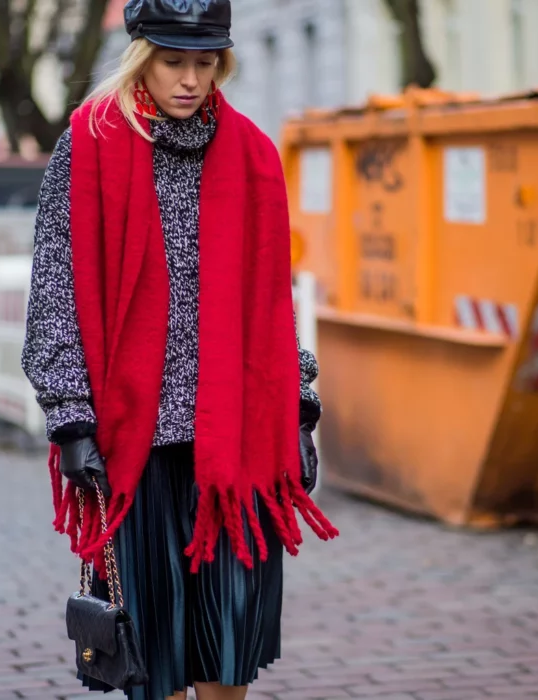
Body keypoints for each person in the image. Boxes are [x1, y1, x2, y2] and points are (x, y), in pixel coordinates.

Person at [21, 1, 338, 699]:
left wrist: (298, 407)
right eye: (173, 61)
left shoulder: (252, 152)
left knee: (227, 656)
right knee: (152, 662)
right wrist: (69, 416)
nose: (190, 79)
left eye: (204, 62)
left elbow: (270, 299)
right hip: (137, 445)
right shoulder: (91, 140)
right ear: (141, 55)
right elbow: (55, 284)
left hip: (237, 447)